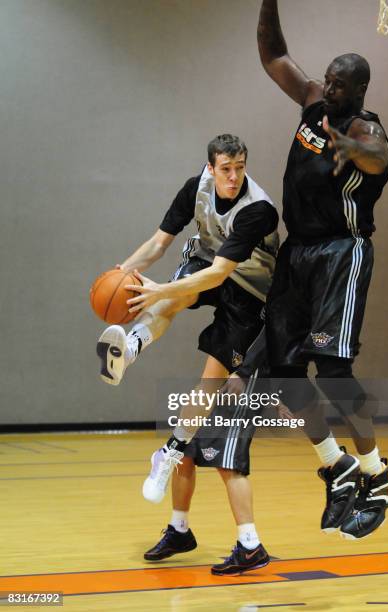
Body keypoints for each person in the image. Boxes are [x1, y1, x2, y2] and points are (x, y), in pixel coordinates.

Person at [229, 0, 388, 541]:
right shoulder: (311, 101)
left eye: (339, 85)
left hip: (339, 255)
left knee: (332, 370)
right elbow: (273, 53)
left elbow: (382, 159)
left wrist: (350, 145)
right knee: (282, 375)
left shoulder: (365, 127)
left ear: (358, 91)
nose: (328, 88)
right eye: (327, 80)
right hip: (296, 254)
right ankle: (336, 464)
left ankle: (379, 473)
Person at [96, 134, 279, 573]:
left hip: (250, 294)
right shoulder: (194, 188)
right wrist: (122, 273)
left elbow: (219, 275)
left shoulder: (257, 209)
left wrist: (160, 290)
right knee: (193, 442)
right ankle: (134, 344)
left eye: (240, 167)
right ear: (210, 168)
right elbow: (159, 243)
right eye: (225, 168)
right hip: (207, 267)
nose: (234, 176)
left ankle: (248, 543)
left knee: (215, 432)